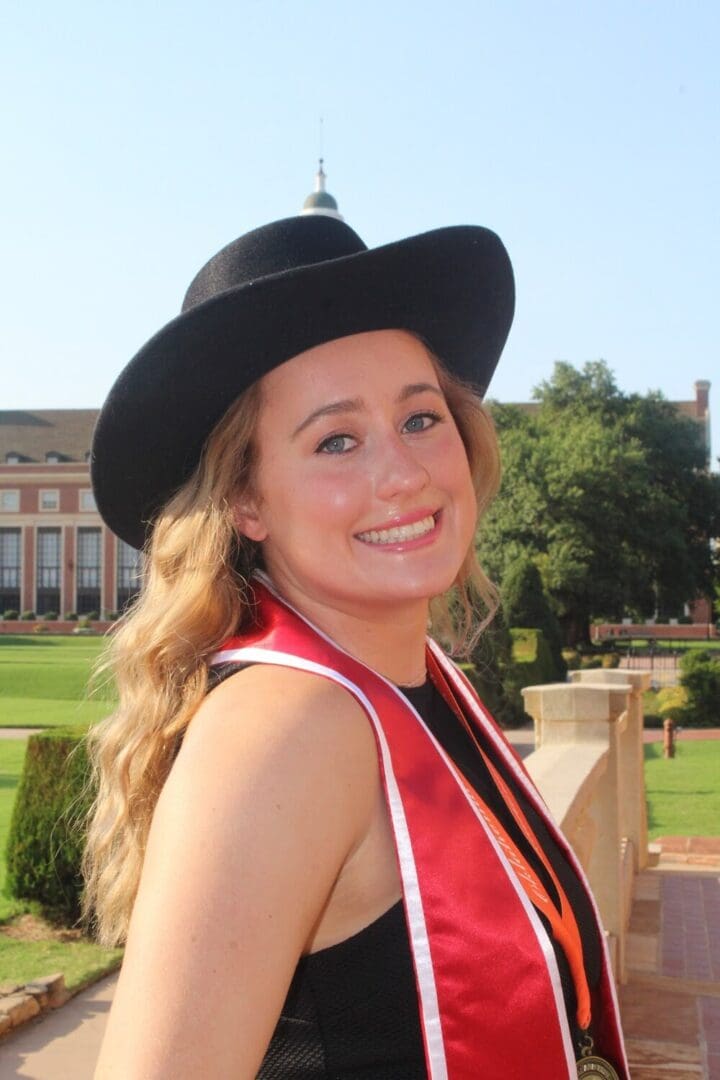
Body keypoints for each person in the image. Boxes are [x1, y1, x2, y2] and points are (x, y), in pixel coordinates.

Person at [86, 213, 628, 1079]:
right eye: (337, 440)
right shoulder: (286, 728)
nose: (406, 473)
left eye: (421, 418)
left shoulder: (417, 684)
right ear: (246, 503)